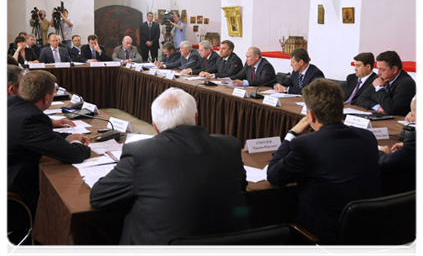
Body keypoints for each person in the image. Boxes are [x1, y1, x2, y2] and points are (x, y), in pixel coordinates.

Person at [90, 87, 250, 256]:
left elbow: (98, 198)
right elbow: (242, 186)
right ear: (196, 117)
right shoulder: (230, 146)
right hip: (231, 249)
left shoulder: (140, 153)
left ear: (155, 127)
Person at [267, 79, 380, 250]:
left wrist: (291, 134)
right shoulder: (368, 138)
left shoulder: (305, 144)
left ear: (310, 115)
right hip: (367, 231)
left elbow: (274, 176)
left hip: (320, 238)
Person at [6, 70, 90, 214]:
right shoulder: (31, 119)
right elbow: (73, 155)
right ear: (46, 98)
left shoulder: (10, 103)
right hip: (12, 197)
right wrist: (76, 143)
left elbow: (36, 137)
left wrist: (66, 138)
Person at [378, 92, 420, 195]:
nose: (414, 121)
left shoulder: (416, 138)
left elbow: (385, 163)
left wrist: (382, 153)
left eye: (414, 115)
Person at [356, 51, 418, 116]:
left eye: (382, 70)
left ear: (394, 70)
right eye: (378, 69)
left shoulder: (406, 84)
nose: (378, 73)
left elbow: (391, 109)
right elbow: (360, 99)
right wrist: (377, 107)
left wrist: (379, 88)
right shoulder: (380, 78)